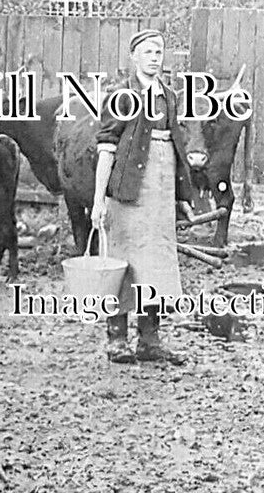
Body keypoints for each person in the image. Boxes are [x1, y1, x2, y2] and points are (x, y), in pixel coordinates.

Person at [92, 29, 195, 365]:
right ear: (134, 57)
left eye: (159, 51)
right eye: (148, 52)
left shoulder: (169, 95)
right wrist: (98, 199)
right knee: (123, 261)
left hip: (161, 188)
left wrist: (181, 193)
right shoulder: (121, 95)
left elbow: (177, 145)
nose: (155, 57)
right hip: (127, 189)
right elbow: (107, 146)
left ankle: (150, 340)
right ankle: (117, 339)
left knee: (157, 263)